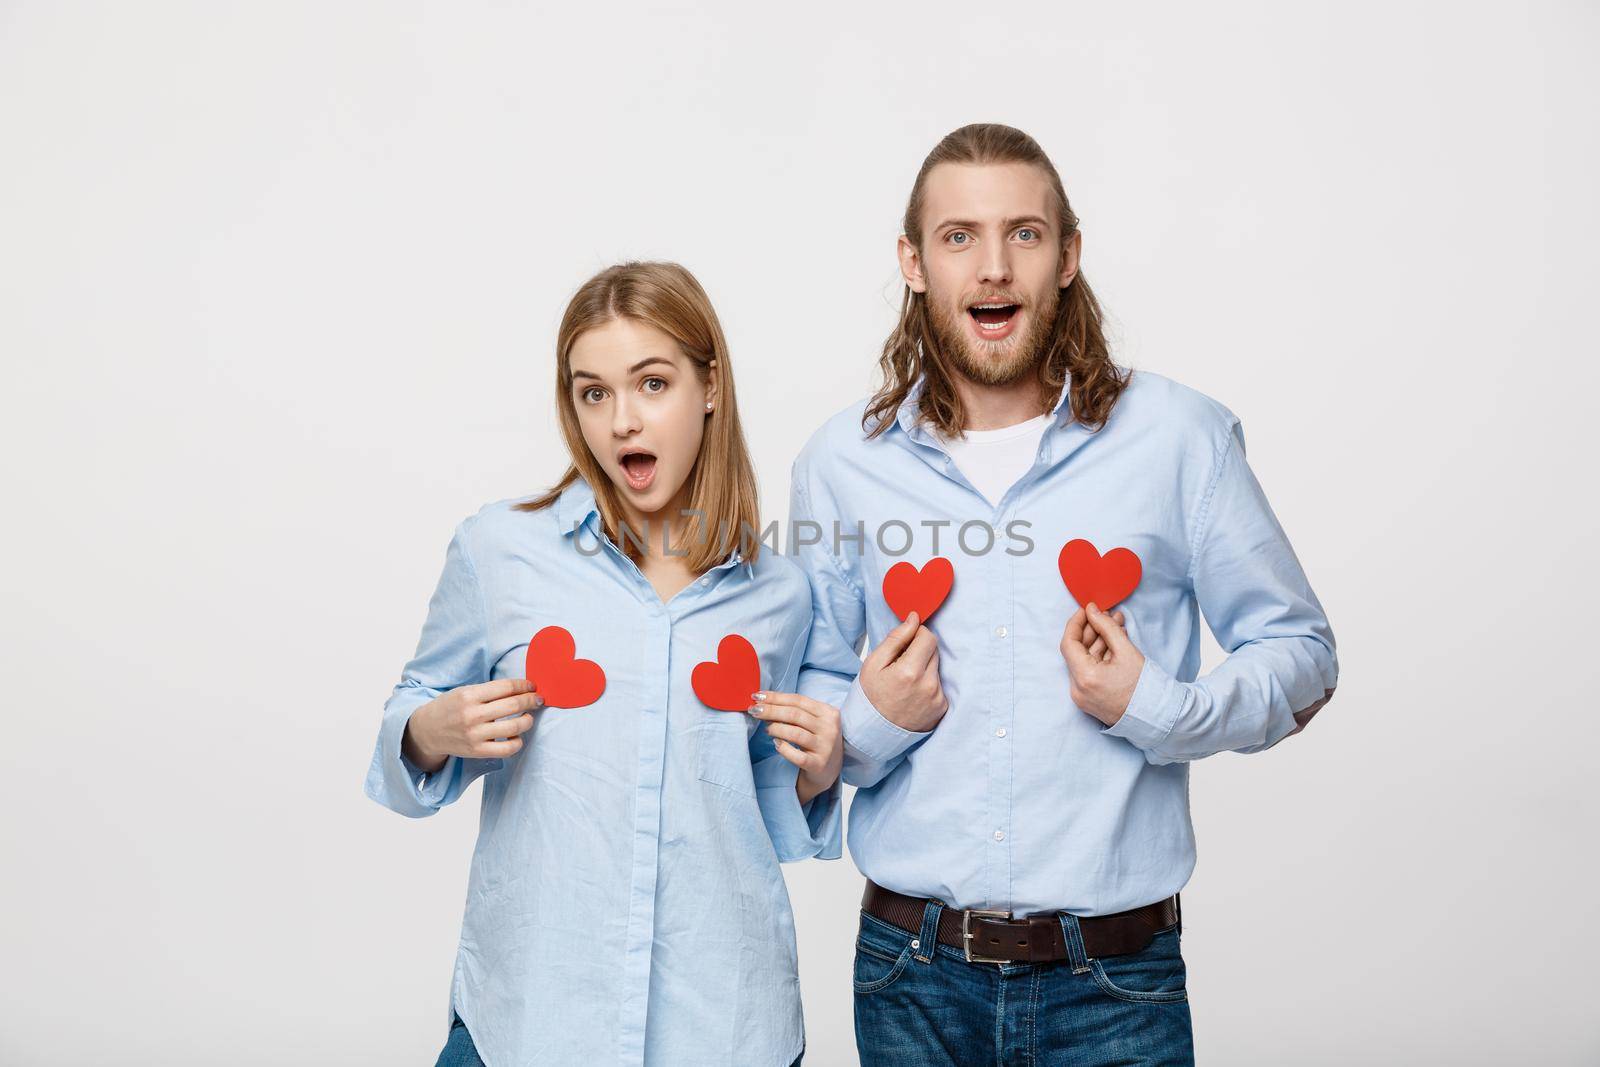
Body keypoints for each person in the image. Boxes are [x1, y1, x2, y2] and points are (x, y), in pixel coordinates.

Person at [787, 123, 1339, 1066]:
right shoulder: (842, 464)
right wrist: (872, 721)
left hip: (1115, 986)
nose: (993, 268)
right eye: (959, 236)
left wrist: (1158, 707)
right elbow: (801, 724)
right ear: (913, 263)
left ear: (1069, 255)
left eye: (1024, 235)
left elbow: (1305, 657)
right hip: (909, 980)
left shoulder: (1180, 438)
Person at [364, 261, 843, 1067]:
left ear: (710, 386)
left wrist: (818, 771)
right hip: (532, 1018)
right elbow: (406, 722)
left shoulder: (781, 595)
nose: (623, 420)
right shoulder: (500, 550)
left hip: (723, 1024)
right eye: (594, 392)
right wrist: (431, 727)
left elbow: (750, 804)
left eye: (651, 384)